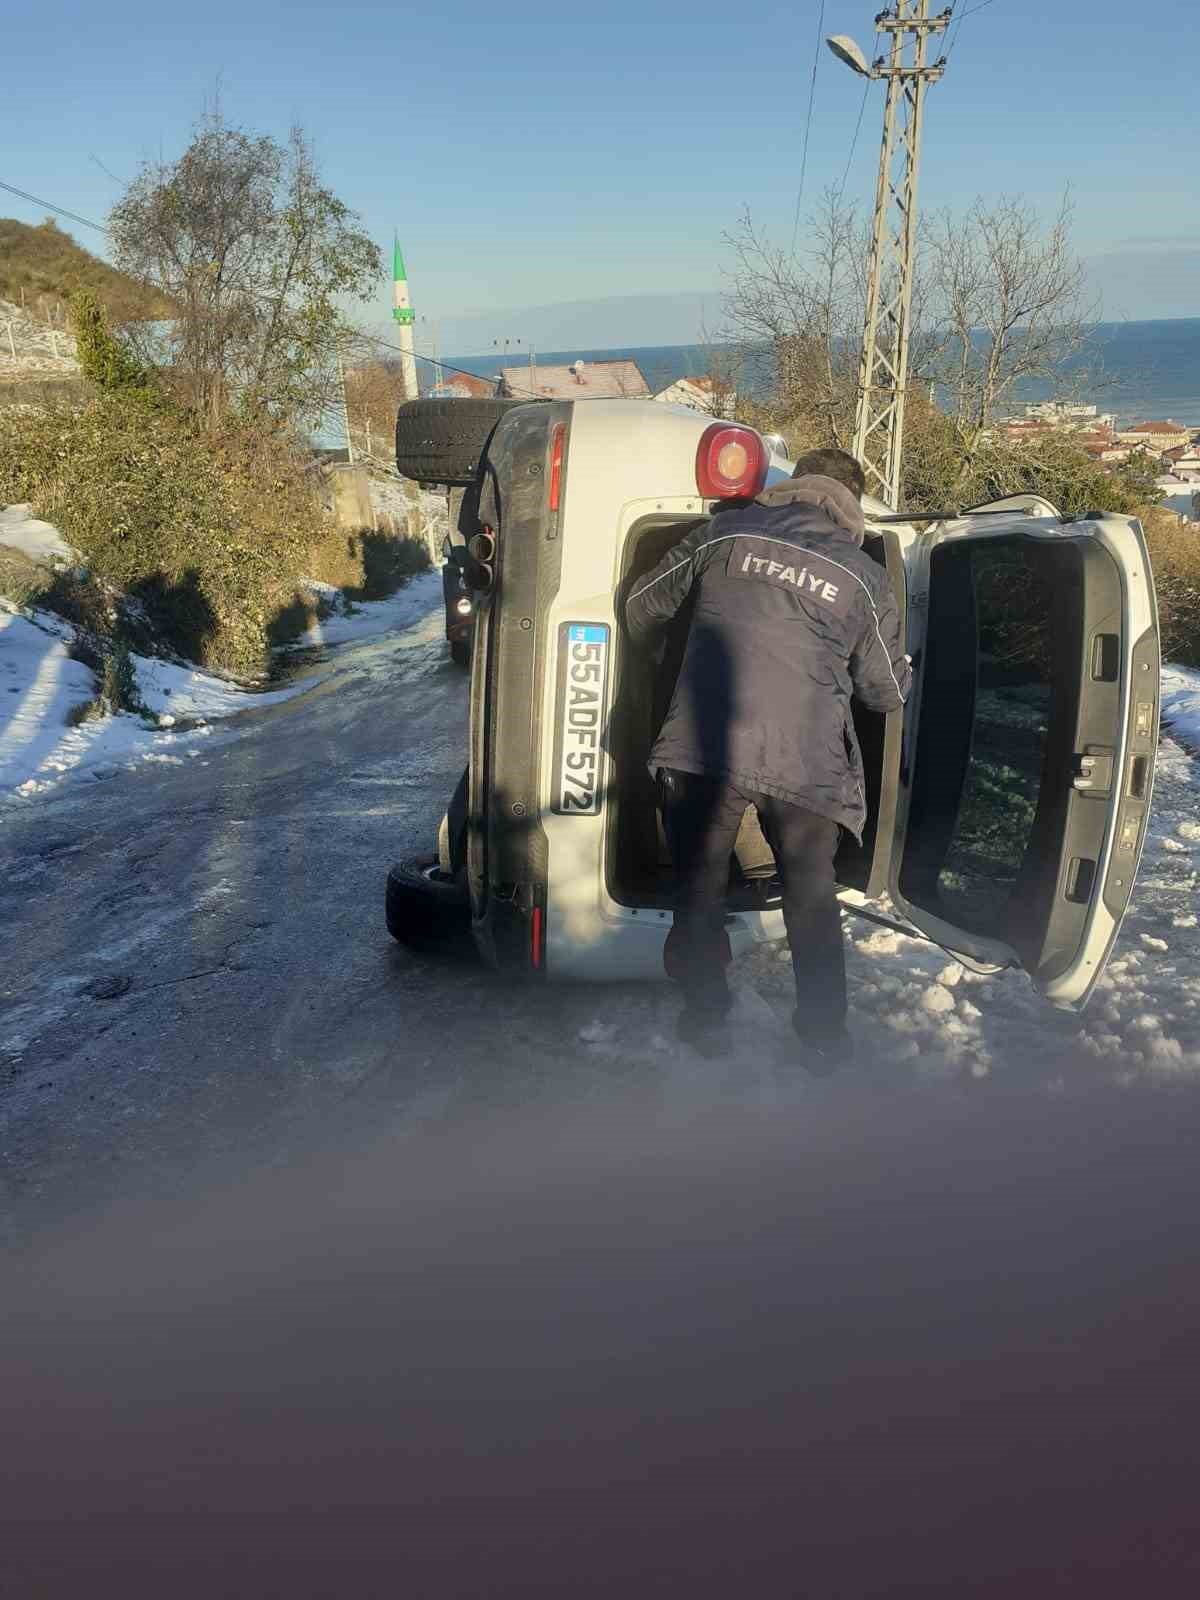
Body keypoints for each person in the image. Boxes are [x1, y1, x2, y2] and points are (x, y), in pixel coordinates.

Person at [624, 447, 911, 1069]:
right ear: (852, 503)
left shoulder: (723, 533)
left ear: (794, 484)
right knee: (811, 896)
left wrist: (665, 663)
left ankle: (706, 1021)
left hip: (703, 744)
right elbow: (885, 691)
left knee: (699, 884)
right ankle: (823, 1038)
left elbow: (641, 606)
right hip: (806, 761)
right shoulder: (863, 574)